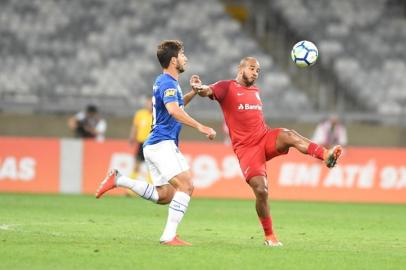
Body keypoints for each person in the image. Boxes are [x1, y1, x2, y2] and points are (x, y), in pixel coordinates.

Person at [193, 57, 343, 247]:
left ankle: (325, 155)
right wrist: (199, 87)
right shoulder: (226, 87)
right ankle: (269, 236)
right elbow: (208, 90)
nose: (256, 72)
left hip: (264, 138)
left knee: (289, 135)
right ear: (241, 69)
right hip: (247, 149)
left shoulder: (255, 91)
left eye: (258, 70)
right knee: (261, 191)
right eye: (252, 68)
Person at [95, 40, 216, 246]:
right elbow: (174, 110)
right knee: (186, 185)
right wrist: (200, 127)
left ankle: (119, 180)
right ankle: (169, 236)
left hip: (154, 144)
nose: (186, 58)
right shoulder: (167, 83)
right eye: (183, 54)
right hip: (162, 143)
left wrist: (193, 92)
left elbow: (176, 104)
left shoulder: (167, 82)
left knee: (165, 195)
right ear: (173, 60)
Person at [128, 97, 153, 182]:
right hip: (141, 143)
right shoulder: (140, 114)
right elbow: (135, 126)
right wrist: (132, 137)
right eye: (149, 103)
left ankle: (151, 187)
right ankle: (130, 190)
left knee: (152, 166)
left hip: (152, 144)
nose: (150, 105)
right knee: (136, 165)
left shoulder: (157, 114)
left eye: (152, 103)